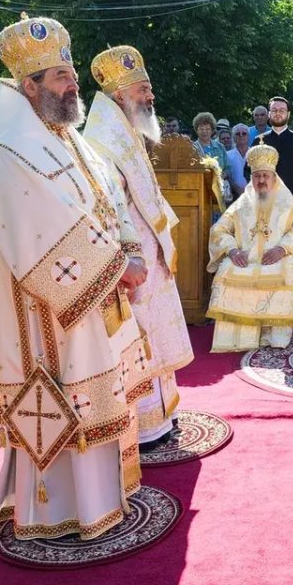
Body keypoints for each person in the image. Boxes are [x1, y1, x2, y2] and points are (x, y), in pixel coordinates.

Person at [0, 15, 151, 542]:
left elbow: (107, 198)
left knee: (96, 389)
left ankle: (103, 497)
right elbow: (45, 226)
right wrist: (118, 266)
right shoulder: (11, 148)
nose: (73, 84)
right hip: (48, 307)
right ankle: (56, 510)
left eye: (70, 74)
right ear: (29, 87)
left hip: (92, 296)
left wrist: (131, 249)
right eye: (60, 78)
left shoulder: (68, 138)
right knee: (63, 392)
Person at [84, 44, 196, 452]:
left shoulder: (127, 130)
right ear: (119, 95)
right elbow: (111, 206)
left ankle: (163, 415)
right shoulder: (102, 140)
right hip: (131, 258)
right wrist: (131, 255)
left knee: (156, 333)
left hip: (149, 250)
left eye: (148, 90)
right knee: (140, 335)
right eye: (142, 91)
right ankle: (145, 426)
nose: (150, 98)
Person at [207, 145, 293, 351]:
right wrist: (232, 250)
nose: (261, 181)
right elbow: (219, 230)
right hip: (246, 257)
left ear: (273, 177)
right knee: (226, 269)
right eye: (257, 176)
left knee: (285, 271)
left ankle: (271, 334)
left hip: (277, 257)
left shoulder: (286, 201)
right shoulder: (242, 203)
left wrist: (283, 249)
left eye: (265, 176)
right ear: (251, 178)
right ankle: (239, 337)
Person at [227, 123, 250, 197]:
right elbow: (226, 176)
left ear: (248, 136)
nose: (241, 135)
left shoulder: (255, 153)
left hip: (253, 194)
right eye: (238, 134)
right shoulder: (227, 155)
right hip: (233, 194)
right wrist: (237, 189)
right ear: (233, 137)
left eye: (244, 133)